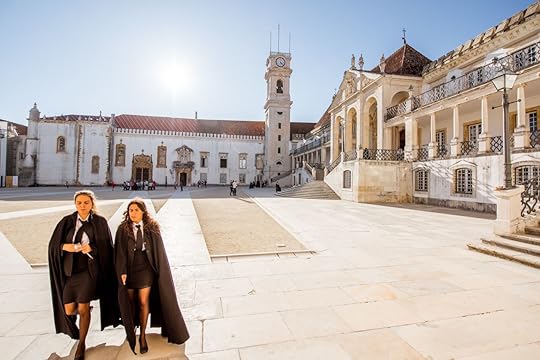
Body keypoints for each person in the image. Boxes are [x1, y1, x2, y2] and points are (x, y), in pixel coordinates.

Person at [48, 190, 120, 360]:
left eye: (86, 202)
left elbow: (107, 248)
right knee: (69, 309)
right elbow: (54, 245)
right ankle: (85, 312)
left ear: (92, 204)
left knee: (82, 307)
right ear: (75, 204)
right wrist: (67, 247)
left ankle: (82, 343)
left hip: (88, 272)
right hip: (70, 272)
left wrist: (92, 249)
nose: (82, 205)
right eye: (79, 202)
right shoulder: (66, 222)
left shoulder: (100, 222)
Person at [114, 198, 189, 354]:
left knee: (143, 301)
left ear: (143, 211)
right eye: (131, 210)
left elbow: (159, 250)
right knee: (130, 301)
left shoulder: (152, 228)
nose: (133, 213)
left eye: (136, 210)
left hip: (145, 267)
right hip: (129, 268)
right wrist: (122, 271)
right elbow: (119, 252)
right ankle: (132, 329)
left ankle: (142, 336)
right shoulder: (123, 229)